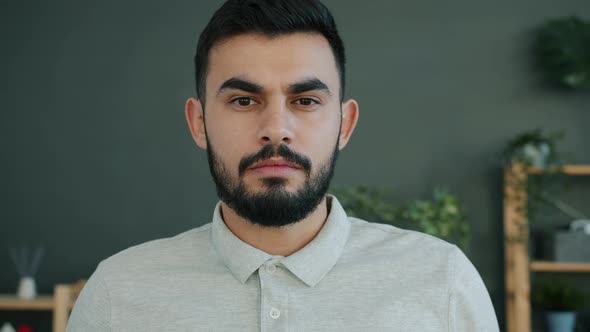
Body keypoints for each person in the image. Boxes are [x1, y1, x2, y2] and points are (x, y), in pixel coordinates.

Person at [68, 0, 500, 331]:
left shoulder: (442, 283)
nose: (276, 130)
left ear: (344, 124)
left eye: (306, 101)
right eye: (243, 100)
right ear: (198, 122)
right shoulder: (118, 295)